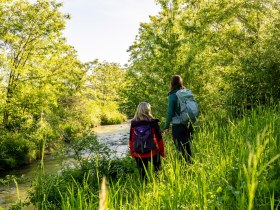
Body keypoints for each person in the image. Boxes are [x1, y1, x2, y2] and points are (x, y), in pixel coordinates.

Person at [129, 102, 165, 179]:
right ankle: (158, 186)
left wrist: (132, 153)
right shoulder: (153, 122)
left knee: (143, 175)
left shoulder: (133, 123)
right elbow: (159, 139)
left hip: (138, 153)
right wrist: (162, 152)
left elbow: (131, 139)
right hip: (153, 152)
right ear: (149, 110)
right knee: (158, 172)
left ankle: (144, 188)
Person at [163, 75, 194, 163]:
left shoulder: (172, 95)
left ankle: (185, 169)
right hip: (189, 123)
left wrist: (166, 126)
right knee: (187, 146)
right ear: (181, 82)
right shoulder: (186, 92)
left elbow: (170, 112)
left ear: (172, 83)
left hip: (178, 125)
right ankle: (191, 166)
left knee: (180, 148)